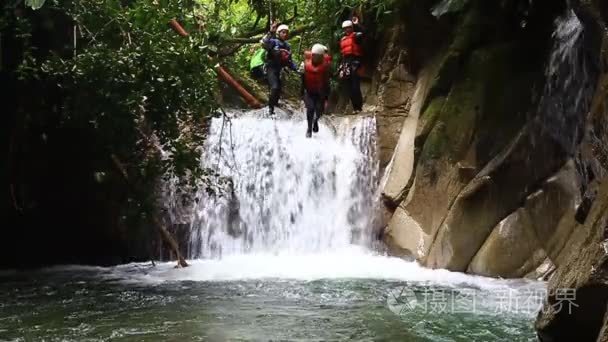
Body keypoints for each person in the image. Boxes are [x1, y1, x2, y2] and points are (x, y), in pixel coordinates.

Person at [261, 22, 299, 116]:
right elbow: (264, 43)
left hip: (279, 70)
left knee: (278, 90)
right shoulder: (273, 42)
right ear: (279, 33)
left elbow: (289, 61)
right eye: (283, 32)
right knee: (274, 87)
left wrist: (297, 69)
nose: (285, 34)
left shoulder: (287, 46)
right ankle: (270, 109)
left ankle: (275, 105)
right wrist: (270, 32)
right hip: (271, 68)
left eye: (286, 32)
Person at [301, 44, 332, 138]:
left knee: (319, 110)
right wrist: (301, 93)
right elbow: (302, 79)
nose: (315, 58)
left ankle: (315, 121)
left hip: (320, 92)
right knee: (310, 109)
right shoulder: (305, 64)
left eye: (318, 56)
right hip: (309, 91)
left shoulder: (326, 65)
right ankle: (309, 129)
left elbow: (327, 81)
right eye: (314, 55)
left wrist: (326, 96)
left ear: (322, 56)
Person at [339, 17, 364, 112]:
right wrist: (341, 66)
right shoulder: (342, 39)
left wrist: (357, 25)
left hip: (355, 62)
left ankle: (359, 107)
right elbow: (343, 54)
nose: (347, 30)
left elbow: (364, 34)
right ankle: (355, 107)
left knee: (355, 86)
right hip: (346, 63)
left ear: (351, 28)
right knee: (349, 87)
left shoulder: (356, 36)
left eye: (348, 28)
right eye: (345, 28)